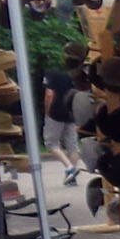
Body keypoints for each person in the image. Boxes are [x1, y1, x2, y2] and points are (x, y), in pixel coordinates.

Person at [40, 45, 85, 184]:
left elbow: (49, 94)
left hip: (56, 112)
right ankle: (71, 178)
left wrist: (47, 111)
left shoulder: (53, 73)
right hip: (72, 112)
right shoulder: (78, 73)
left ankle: (70, 168)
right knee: (73, 145)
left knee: (51, 143)